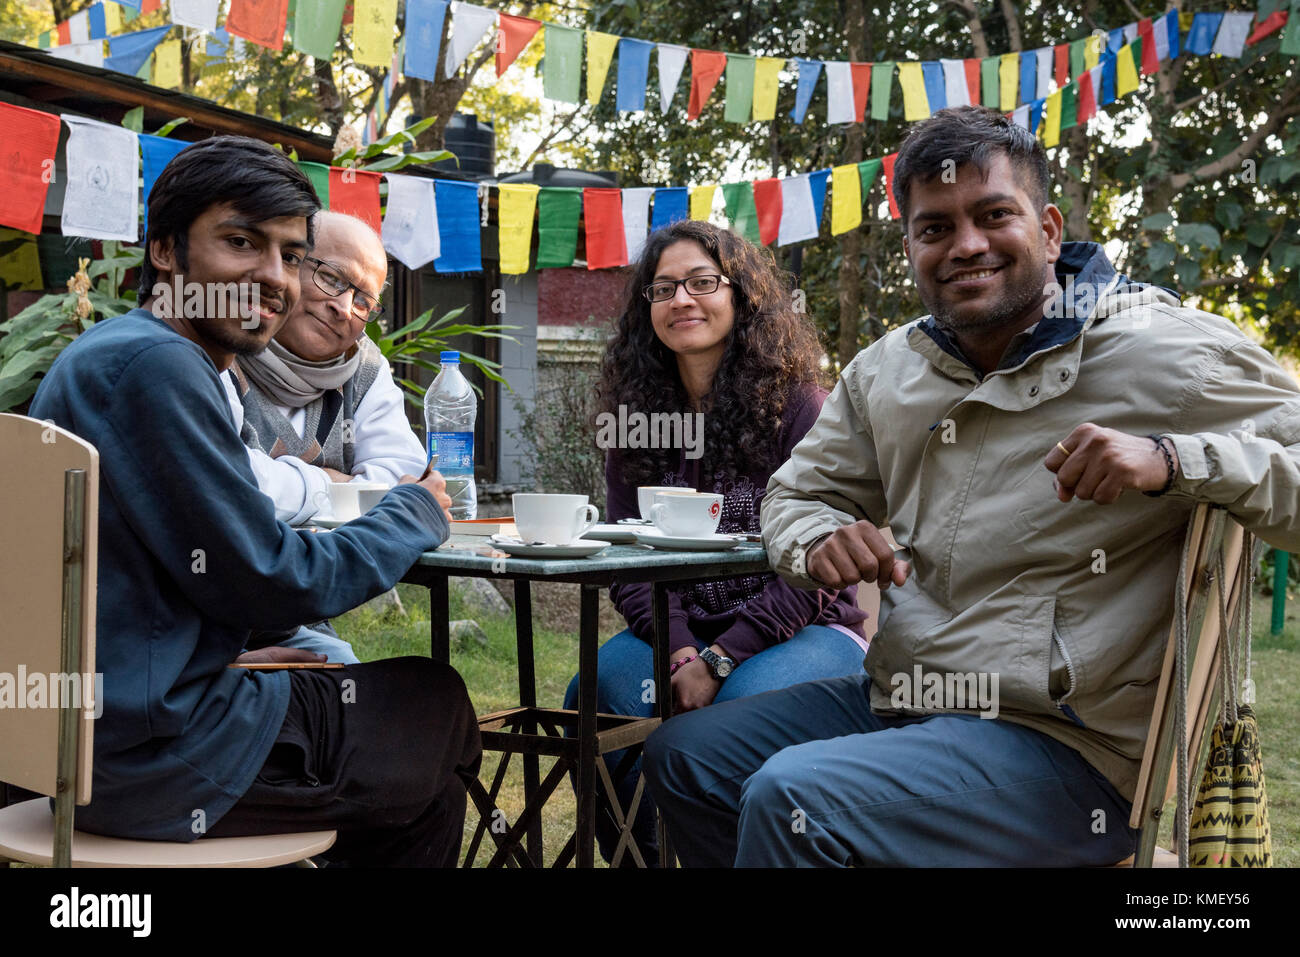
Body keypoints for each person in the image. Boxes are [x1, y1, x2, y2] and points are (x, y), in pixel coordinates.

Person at [643, 105, 1300, 867]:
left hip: (1071, 744)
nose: (967, 245)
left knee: (795, 798)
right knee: (685, 755)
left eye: (994, 215)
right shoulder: (891, 369)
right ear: (911, 247)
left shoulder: (1167, 353)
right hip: (906, 699)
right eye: (935, 228)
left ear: (1049, 228)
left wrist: (1176, 458)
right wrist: (819, 538)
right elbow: (794, 497)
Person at [29, 136, 481, 866]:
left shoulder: (127, 353)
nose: (275, 278)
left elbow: (194, 576)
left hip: (96, 726)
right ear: (166, 251)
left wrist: (227, 647)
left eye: (292, 255)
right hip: (151, 755)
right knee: (435, 709)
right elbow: (279, 582)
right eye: (241, 242)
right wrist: (415, 511)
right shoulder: (157, 366)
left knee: (412, 753)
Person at [563, 219, 869, 864]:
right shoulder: (636, 420)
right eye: (664, 287)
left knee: (729, 713)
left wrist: (722, 658)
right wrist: (679, 653)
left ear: (742, 297)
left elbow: (818, 567)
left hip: (802, 631)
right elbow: (628, 563)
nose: (682, 300)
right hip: (676, 632)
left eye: (703, 282)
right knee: (596, 697)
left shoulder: (802, 408)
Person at [224, 210, 427, 665]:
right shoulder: (222, 344)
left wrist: (291, 491)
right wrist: (329, 484)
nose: (343, 306)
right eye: (332, 278)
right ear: (289, 266)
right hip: (204, 622)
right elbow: (234, 483)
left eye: (364, 301)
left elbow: (406, 478)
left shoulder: (364, 368)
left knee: (363, 688)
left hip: (295, 620)